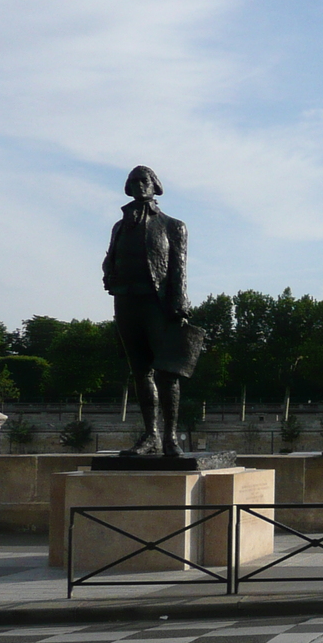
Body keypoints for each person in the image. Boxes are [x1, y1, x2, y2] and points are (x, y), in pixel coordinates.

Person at [101, 165, 201, 456]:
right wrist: (108, 275)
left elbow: (179, 268)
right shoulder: (120, 225)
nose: (139, 185)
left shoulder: (173, 225)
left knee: (167, 372)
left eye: (144, 181)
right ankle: (151, 436)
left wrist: (180, 305)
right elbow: (111, 256)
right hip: (126, 301)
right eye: (133, 182)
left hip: (158, 304)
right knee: (140, 372)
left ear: (155, 186)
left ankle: (170, 437)